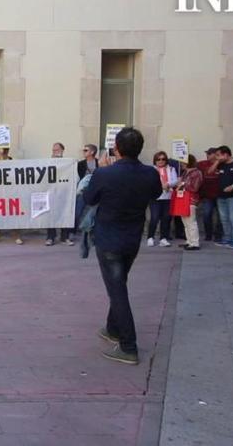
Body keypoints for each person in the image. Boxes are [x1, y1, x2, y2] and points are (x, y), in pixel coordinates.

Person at [84, 127, 162, 365]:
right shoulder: (149, 173)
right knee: (118, 284)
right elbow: (156, 194)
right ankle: (112, 328)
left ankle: (128, 346)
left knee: (117, 291)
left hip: (109, 240)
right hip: (132, 238)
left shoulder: (105, 174)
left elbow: (89, 199)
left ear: (116, 148)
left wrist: (103, 171)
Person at [0, 148, 23, 245]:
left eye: (5, 150)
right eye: (1, 150)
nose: (3, 152)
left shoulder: (13, 162)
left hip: (10, 192)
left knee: (13, 213)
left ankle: (16, 235)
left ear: (8, 151)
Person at [146, 151, 178, 248]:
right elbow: (149, 182)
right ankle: (150, 237)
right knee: (154, 218)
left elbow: (175, 181)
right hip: (155, 197)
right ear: (155, 160)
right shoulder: (151, 170)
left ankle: (163, 238)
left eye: (163, 159)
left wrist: (168, 184)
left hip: (167, 196)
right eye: (158, 159)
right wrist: (160, 185)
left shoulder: (171, 169)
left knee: (166, 218)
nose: (161, 161)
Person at [47, 142, 73, 246]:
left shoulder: (67, 163)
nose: (55, 152)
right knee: (51, 215)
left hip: (65, 192)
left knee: (65, 214)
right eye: (53, 150)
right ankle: (50, 237)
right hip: (52, 192)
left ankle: (65, 237)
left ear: (62, 150)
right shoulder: (49, 162)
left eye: (57, 150)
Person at [177, 154, 204, 251]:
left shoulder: (196, 173)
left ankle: (195, 243)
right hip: (183, 199)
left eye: (183, 162)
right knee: (185, 222)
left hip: (191, 200)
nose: (181, 164)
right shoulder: (185, 173)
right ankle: (189, 241)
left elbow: (195, 187)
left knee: (191, 221)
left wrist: (183, 185)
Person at [197, 148, 223, 242]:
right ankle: (208, 234)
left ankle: (218, 235)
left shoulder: (222, 164)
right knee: (207, 215)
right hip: (207, 195)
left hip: (220, 194)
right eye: (207, 153)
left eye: (209, 153)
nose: (207, 155)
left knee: (220, 217)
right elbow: (207, 172)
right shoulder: (202, 164)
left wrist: (218, 161)